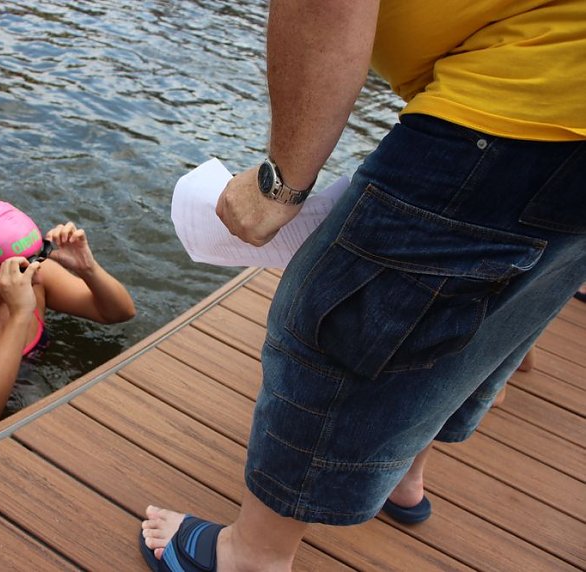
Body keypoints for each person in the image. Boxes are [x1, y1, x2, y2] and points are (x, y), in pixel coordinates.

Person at [140, 1, 585, 570]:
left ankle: (252, 556)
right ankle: (406, 478)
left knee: (341, 320)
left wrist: (279, 183)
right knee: (489, 306)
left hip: (504, 112)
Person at [0, 199, 135, 432]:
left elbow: (120, 312)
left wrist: (88, 268)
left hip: (28, 394)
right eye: (22, 269)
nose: (37, 278)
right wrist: (20, 315)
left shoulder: (35, 272)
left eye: (40, 258)